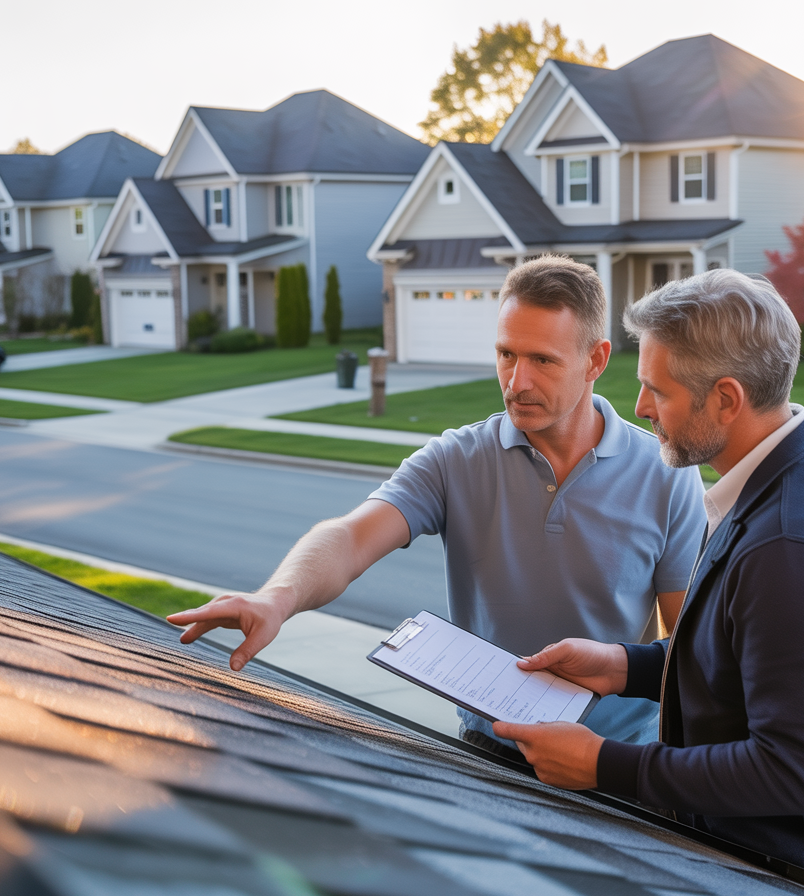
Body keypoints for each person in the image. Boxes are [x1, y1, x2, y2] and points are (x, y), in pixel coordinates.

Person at [168, 255, 706, 752]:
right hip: (489, 750)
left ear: (596, 360)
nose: (517, 381)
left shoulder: (667, 474)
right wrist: (276, 598)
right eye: (506, 354)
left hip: (613, 760)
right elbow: (352, 536)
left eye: (542, 359)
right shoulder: (456, 458)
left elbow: (686, 651)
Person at [493, 269, 804, 893]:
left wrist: (603, 764)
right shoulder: (798, 467)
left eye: (658, 390)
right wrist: (622, 666)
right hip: (767, 868)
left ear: (726, 399)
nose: (639, 408)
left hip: (791, 889)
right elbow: (743, 666)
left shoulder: (790, 546)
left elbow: (790, 771)